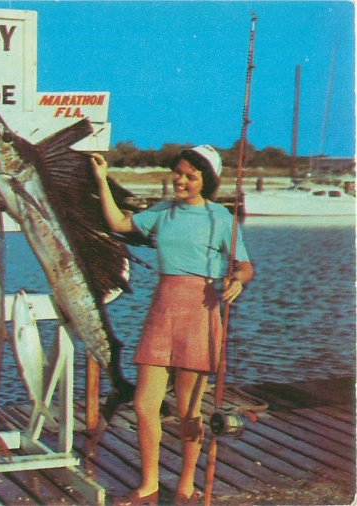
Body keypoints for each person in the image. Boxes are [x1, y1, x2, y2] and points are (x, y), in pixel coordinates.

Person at [89, 145, 254, 505]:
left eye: (190, 176)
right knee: (145, 405)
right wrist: (102, 180)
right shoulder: (162, 212)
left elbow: (244, 265)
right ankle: (148, 483)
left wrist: (238, 280)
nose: (180, 180)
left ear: (205, 181)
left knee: (187, 411)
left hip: (201, 309)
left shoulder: (220, 218)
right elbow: (118, 224)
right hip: (163, 308)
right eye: (178, 173)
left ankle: (185, 485)